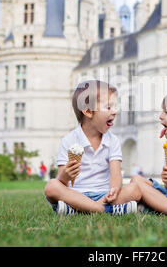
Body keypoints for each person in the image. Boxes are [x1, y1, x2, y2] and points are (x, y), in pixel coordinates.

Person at [44, 80, 141, 216]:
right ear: (88, 111)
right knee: (52, 186)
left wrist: (114, 190)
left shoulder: (113, 141)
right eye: (108, 107)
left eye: (115, 106)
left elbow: (115, 175)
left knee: (135, 189)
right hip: (75, 195)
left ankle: (78, 210)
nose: (115, 111)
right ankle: (105, 210)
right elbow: (62, 181)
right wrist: (64, 176)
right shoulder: (68, 140)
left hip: (104, 195)